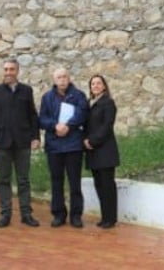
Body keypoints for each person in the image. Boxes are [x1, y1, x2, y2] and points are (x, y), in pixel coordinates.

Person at [0, 57, 41, 228]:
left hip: (23, 141)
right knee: (4, 179)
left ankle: (26, 214)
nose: (8, 72)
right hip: (2, 141)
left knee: (23, 179)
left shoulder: (26, 91)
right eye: (6, 69)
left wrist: (36, 136)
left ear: (17, 71)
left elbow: (32, 115)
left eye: (12, 69)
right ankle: (5, 214)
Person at [38, 68, 88, 228]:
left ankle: (76, 215)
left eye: (65, 76)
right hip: (54, 145)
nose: (62, 80)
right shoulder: (47, 97)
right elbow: (42, 119)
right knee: (56, 182)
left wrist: (69, 126)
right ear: (54, 80)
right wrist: (55, 126)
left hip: (73, 145)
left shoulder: (79, 95)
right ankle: (58, 214)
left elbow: (82, 114)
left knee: (75, 182)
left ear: (69, 78)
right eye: (59, 77)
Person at [84, 74, 120, 229]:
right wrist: (85, 140)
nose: (96, 86)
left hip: (105, 150)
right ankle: (104, 217)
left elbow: (107, 126)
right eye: (93, 84)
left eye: (99, 83)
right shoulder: (88, 104)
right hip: (92, 152)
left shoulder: (108, 103)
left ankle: (111, 218)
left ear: (104, 86)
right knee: (99, 185)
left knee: (107, 185)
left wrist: (92, 141)